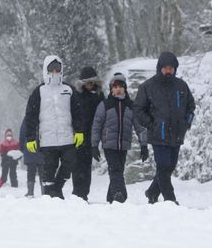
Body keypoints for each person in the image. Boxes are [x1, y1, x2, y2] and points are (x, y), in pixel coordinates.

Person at [134, 51, 195, 205]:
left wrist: (186, 123)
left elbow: (190, 107)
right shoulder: (148, 86)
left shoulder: (181, 86)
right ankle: (170, 199)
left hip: (177, 134)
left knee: (169, 167)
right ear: (159, 68)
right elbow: (138, 110)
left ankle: (152, 192)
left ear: (175, 69)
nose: (168, 71)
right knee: (163, 166)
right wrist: (152, 124)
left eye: (171, 68)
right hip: (158, 134)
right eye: (165, 68)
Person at [25, 55, 84, 199]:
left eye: (58, 69)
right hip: (47, 139)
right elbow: (31, 116)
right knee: (49, 170)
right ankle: (50, 198)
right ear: (46, 70)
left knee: (69, 164)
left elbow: (78, 113)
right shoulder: (39, 92)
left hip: (67, 138)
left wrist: (79, 131)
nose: (55, 72)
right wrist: (31, 138)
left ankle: (56, 189)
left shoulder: (69, 89)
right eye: (52, 69)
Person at [91, 73, 148, 203]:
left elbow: (140, 127)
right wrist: (94, 145)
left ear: (125, 88)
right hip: (109, 144)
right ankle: (120, 195)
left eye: (121, 86)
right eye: (115, 86)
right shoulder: (105, 105)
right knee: (115, 170)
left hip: (123, 145)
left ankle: (111, 197)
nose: (118, 89)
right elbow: (96, 125)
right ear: (111, 89)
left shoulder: (130, 105)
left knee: (118, 171)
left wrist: (143, 145)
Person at [71, 66, 104, 201]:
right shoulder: (76, 96)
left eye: (92, 82)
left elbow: (102, 115)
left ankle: (84, 193)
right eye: (87, 83)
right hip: (78, 135)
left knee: (86, 166)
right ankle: (77, 191)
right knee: (77, 165)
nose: (90, 85)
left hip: (91, 136)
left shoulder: (99, 96)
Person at [19, 116, 44, 197]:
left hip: (30, 146)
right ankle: (44, 192)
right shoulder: (44, 115)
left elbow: (22, 132)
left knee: (31, 171)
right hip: (42, 147)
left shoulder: (28, 117)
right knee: (42, 171)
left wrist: (21, 147)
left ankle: (30, 192)